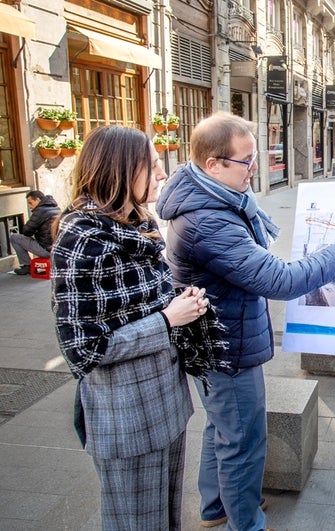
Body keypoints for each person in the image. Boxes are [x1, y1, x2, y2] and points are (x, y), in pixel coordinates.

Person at [156, 112, 335, 531]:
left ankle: (216, 506)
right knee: (243, 440)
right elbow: (280, 280)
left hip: (217, 340)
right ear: (213, 164)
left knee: (224, 429)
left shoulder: (213, 201)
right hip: (225, 347)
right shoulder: (208, 221)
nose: (255, 169)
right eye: (246, 161)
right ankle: (246, 522)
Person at [51, 125, 216, 530]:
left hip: (167, 405)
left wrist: (186, 305)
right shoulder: (83, 239)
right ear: (122, 171)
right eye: (154, 165)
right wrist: (167, 319)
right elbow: (85, 350)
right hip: (125, 418)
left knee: (167, 520)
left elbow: (146, 302)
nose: (163, 174)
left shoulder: (138, 225)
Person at [9, 190, 60, 275]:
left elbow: (26, 231)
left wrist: (34, 230)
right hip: (57, 249)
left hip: (46, 250)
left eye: (30, 203)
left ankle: (27, 266)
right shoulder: (56, 208)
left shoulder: (40, 211)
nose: (30, 206)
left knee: (14, 237)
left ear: (37, 200)